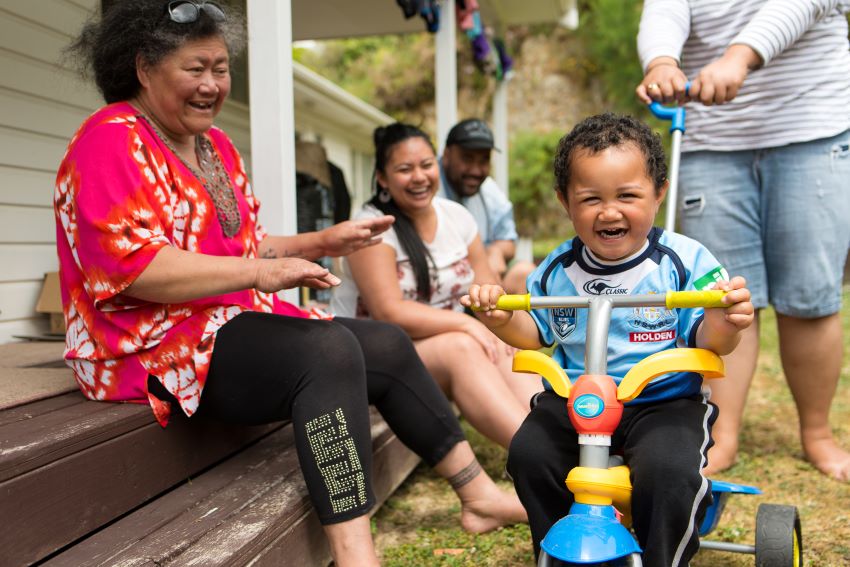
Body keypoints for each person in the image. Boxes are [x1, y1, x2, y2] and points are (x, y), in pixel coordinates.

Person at [55, 3, 524, 566]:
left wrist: (324, 242)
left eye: (221, 68)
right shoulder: (109, 138)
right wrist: (260, 274)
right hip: (144, 345)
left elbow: (246, 247)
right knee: (325, 351)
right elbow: (133, 269)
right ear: (143, 67)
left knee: (386, 344)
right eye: (195, 68)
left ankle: (479, 496)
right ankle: (357, 557)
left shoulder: (215, 147)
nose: (212, 85)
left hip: (221, 322)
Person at [462, 113, 755, 566]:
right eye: (590, 198)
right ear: (565, 201)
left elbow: (709, 340)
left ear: (658, 191)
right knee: (530, 454)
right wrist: (500, 318)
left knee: (668, 470)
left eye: (627, 196)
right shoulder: (558, 270)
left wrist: (725, 318)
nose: (610, 211)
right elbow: (536, 332)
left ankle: (663, 558)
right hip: (577, 402)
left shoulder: (683, 260)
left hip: (661, 401)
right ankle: (559, 549)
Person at [636, 0, 850, 481]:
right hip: (711, 139)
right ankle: (722, 433)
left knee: (810, 297)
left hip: (811, 127)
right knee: (724, 296)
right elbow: (665, 9)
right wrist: (662, 61)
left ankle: (817, 433)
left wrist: (740, 56)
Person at [330, 123, 543, 449]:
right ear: (383, 178)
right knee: (464, 344)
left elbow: (488, 285)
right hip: (372, 356)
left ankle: (558, 437)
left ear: (437, 166)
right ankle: (538, 457)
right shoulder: (370, 227)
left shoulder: (456, 217)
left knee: (501, 344)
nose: (419, 176)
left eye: (426, 165)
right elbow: (390, 312)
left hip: (436, 346)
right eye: (405, 169)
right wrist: (467, 325)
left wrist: (494, 324)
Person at [439, 118, 536, 294]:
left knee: (525, 274)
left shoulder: (489, 190)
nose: (476, 170)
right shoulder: (427, 187)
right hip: (442, 279)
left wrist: (495, 251)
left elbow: (508, 240)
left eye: (484, 161)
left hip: (484, 283)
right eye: (467, 159)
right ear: (446, 155)